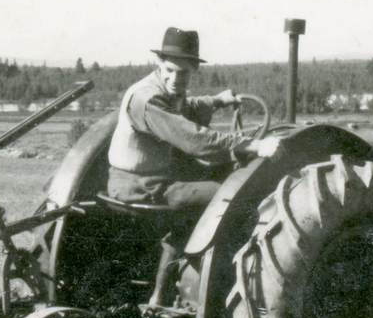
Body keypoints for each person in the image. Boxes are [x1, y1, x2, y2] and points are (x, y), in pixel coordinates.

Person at [107, 27, 275, 208]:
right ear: (159, 61)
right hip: (140, 186)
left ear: (195, 69)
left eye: (183, 72)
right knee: (235, 192)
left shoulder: (165, 89)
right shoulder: (147, 98)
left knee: (224, 174)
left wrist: (217, 100)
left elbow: (186, 108)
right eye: (169, 70)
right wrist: (254, 145)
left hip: (155, 177)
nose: (175, 79)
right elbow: (193, 138)